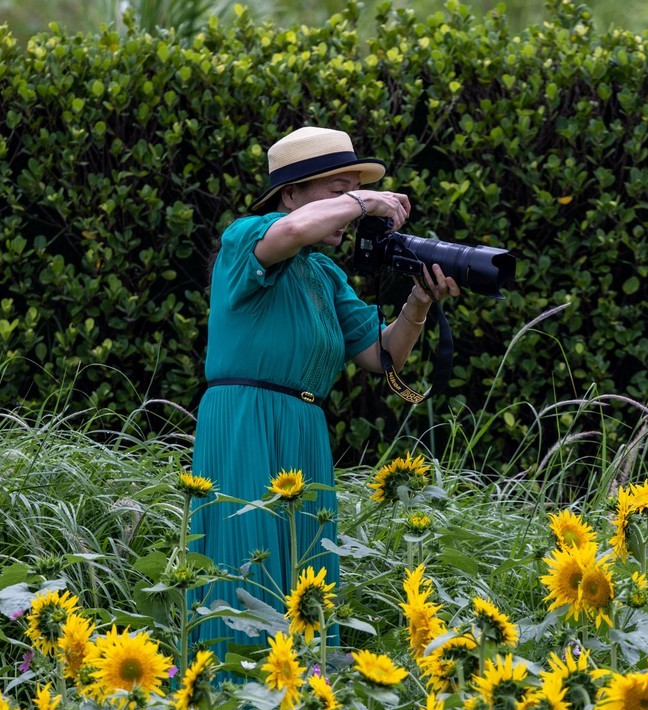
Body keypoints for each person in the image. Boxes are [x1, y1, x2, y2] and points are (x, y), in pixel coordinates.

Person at [189, 126, 459, 658]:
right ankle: (233, 699)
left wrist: (419, 304)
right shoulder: (248, 237)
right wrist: (364, 200)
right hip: (244, 418)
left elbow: (382, 357)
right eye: (335, 191)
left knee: (306, 571)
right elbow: (291, 233)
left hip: (305, 429)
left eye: (351, 190)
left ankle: (307, 695)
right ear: (290, 195)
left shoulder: (325, 275)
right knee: (245, 556)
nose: (350, 207)